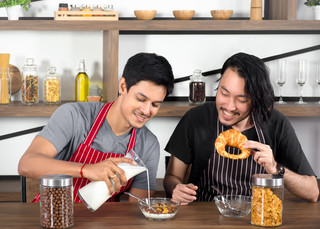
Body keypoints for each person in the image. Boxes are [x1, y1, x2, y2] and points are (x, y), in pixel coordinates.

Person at [164, 52, 319, 205]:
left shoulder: (276, 123)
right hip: (205, 216)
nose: (229, 107)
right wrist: (176, 188)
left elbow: (312, 192)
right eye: (224, 93)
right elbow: (171, 176)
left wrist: (275, 168)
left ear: (257, 100)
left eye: (241, 100)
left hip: (258, 217)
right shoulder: (196, 118)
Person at [18, 52, 174, 202]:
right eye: (141, 99)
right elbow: (27, 164)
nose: (146, 111)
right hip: (56, 216)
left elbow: (138, 207)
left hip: (105, 224)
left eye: (155, 104)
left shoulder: (148, 144)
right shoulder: (75, 116)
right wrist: (87, 169)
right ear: (123, 86)